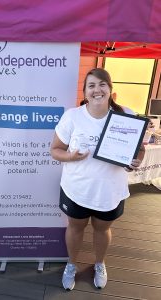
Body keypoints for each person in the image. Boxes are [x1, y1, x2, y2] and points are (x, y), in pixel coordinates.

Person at [50, 68, 145, 291]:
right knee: (75, 228)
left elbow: (139, 149)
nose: (97, 89)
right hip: (76, 189)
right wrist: (70, 157)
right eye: (91, 85)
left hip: (110, 191)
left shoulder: (127, 115)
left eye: (102, 84)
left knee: (102, 229)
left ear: (111, 91)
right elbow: (55, 150)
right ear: (85, 93)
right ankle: (71, 265)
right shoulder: (72, 116)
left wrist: (135, 160)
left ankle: (100, 263)